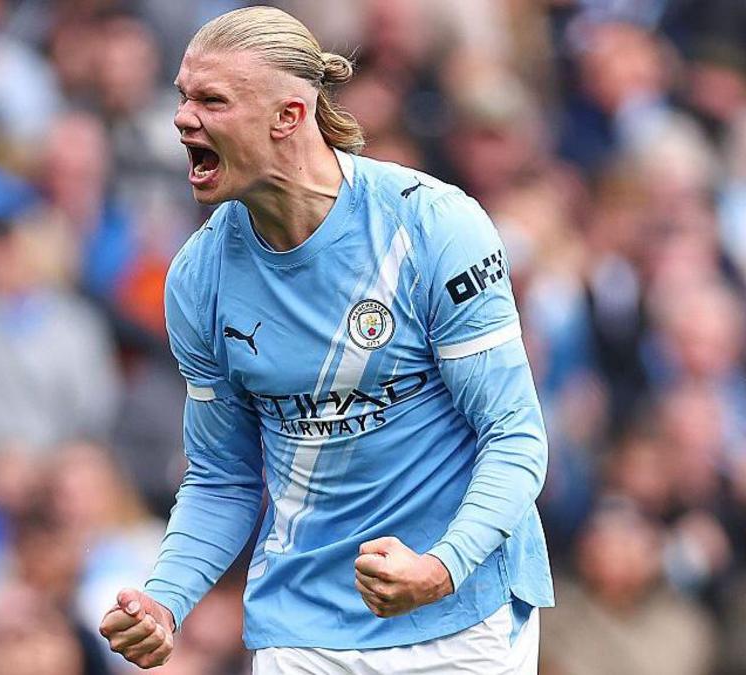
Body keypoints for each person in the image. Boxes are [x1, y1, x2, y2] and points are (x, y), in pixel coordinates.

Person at [98, 6, 553, 673]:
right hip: (303, 627)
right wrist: (165, 599)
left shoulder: (431, 226)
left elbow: (514, 436)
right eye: (182, 97)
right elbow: (223, 476)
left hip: (463, 613)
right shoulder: (198, 277)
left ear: (288, 116)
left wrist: (441, 565)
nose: (182, 118)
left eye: (212, 100)